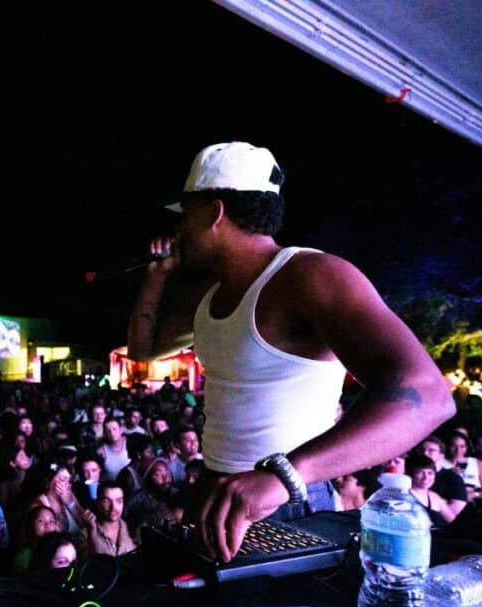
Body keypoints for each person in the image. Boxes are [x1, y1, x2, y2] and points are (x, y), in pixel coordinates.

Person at [127, 141, 454, 560]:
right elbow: (143, 349)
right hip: (217, 491)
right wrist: (157, 276)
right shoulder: (208, 295)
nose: (178, 230)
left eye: (185, 214)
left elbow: (429, 395)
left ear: (214, 213)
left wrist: (284, 476)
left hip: (287, 498)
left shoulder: (309, 275)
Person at [81, 480, 137, 557]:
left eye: (119, 501)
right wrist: (92, 532)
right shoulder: (86, 534)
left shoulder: (130, 528)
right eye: (106, 501)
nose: (113, 507)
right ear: (98, 503)